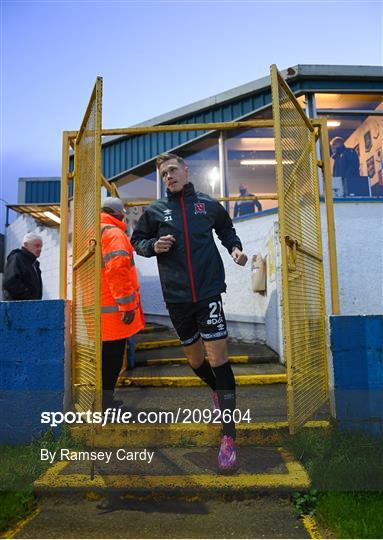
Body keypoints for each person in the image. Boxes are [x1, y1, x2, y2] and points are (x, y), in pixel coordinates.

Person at [131, 153, 248, 471]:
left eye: (172, 170)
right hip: (178, 298)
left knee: (218, 360)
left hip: (209, 293)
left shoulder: (207, 205)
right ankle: (215, 392)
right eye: (163, 173)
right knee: (196, 362)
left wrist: (235, 249)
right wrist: (151, 246)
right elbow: (137, 240)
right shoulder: (155, 211)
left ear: (186, 171)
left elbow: (226, 229)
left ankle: (229, 438)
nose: (168, 176)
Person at [100, 197, 145, 411]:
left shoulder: (93, 233)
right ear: (119, 214)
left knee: (102, 360)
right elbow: (118, 270)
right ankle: (105, 403)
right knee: (112, 360)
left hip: (98, 309)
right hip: (113, 311)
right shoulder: (114, 233)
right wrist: (126, 306)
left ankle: (103, 401)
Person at [2, 232, 43, 300]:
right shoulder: (17, 257)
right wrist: (28, 298)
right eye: (37, 245)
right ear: (25, 245)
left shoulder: (35, 264)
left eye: (41, 246)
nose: (40, 249)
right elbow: (10, 282)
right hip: (17, 307)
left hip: (32, 306)